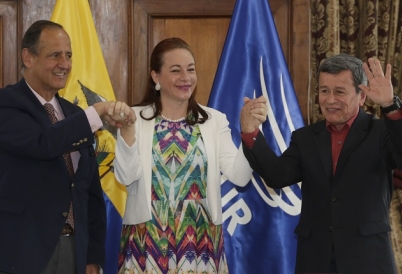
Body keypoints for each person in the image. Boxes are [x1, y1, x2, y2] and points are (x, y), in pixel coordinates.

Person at [112, 37, 267, 274]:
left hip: (200, 241)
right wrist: (127, 132)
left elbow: (240, 177)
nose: (186, 78)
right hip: (146, 240)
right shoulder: (134, 118)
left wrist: (249, 131)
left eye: (191, 70)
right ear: (156, 76)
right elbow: (125, 177)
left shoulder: (214, 120)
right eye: (176, 70)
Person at [240, 54, 402, 273]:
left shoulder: (381, 132)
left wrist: (390, 107)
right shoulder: (305, 138)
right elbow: (277, 175)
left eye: (340, 91)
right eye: (325, 91)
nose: (330, 99)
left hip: (367, 258)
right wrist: (251, 133)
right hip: (315, 258)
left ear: (362, 96)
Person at [0, 20, 133, 274]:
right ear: (28, 57)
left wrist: (93, 254)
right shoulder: (6, 104)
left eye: (69, 55)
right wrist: (96, 112)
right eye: (55, 55)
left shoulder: (74, 115)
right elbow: (43, 143)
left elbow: (90, 190)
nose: (65, 64)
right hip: (24, 252)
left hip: (75, 251)